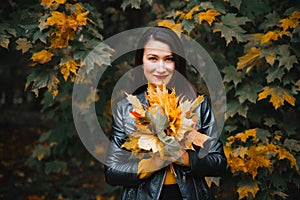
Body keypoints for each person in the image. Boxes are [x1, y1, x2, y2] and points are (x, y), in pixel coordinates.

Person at [104, 26, 227, 200]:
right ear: (141, 62)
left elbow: (219, 162)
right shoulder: (126, 109)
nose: (161, 68)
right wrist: (154, 163)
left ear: (176, 63)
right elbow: (112, 171)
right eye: (153, 58)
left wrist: (184, 158)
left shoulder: (197, 105)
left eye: (168, 59)